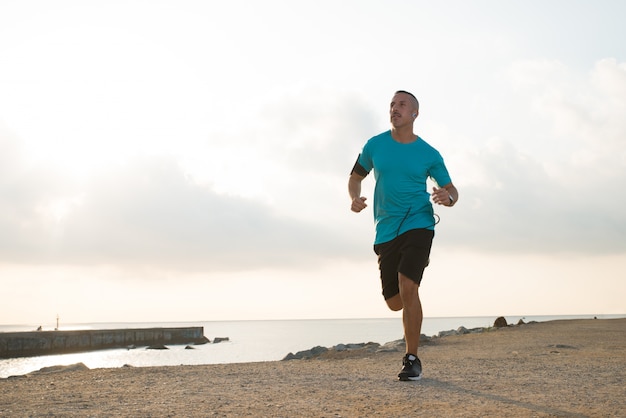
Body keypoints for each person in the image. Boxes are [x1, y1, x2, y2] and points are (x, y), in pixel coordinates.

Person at [348, 90, 458, 381]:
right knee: (394, 301)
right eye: (392, 105)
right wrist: (355, 198)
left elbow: (453, 191)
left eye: (402, 104)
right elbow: (355, 177)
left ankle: (412, 358)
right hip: (386, 229)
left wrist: (447, 197)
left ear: (414, 114)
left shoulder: (429, 154)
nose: (395, 109)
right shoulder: (375, 145)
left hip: (419, 223)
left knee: (409, 286)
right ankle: (413, 267)